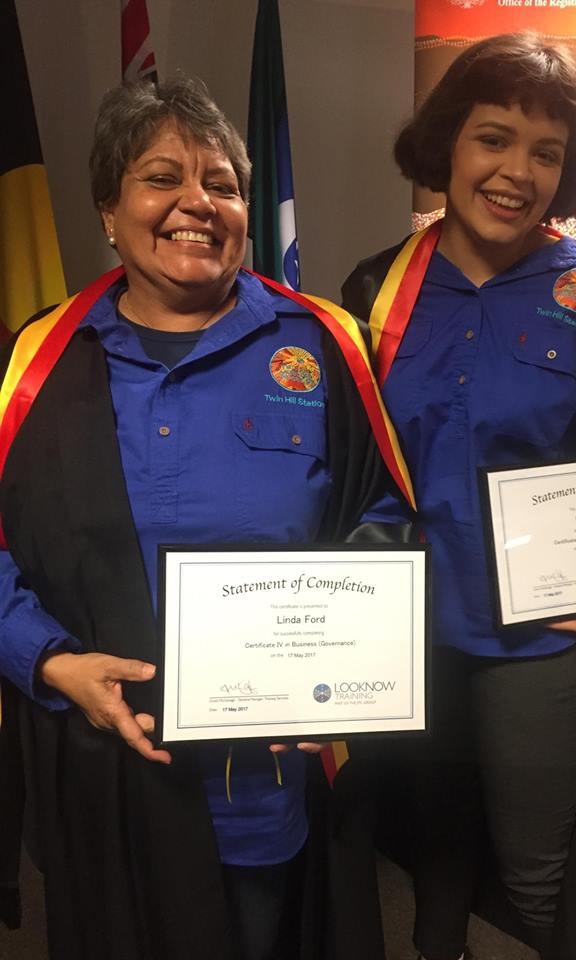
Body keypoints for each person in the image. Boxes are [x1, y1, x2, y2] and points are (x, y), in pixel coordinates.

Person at [0, 76, 410, 960]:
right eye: (162, 178)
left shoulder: (322, 345)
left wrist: (350, 670)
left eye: (221, 183)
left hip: (257, 779)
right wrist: (50, 659)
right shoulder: (37, 361)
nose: (197, 202)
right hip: (101, 762)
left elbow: (385, 518)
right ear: (108, 210)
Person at [342, 32, 576, 960]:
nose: (517, 171)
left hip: (545, 646)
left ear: (567, 167)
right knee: (429, 856)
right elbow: (344, 466)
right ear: (448, 146)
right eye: (493, 139)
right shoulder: (376, 291)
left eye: (545, 151)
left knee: (544, 875)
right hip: (413, 637)